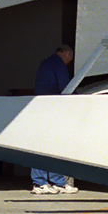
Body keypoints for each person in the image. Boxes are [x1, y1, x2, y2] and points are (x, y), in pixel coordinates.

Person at [31, 44, 77, 194]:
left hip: (41, 106)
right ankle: (41, 182)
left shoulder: (46, 63)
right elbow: (66, 88)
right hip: (52, 108)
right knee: (51, 144)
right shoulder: (59, 64)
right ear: (66, 54)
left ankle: (53, 182)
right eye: (70, 57)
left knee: (46, 144)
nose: (70, 61)